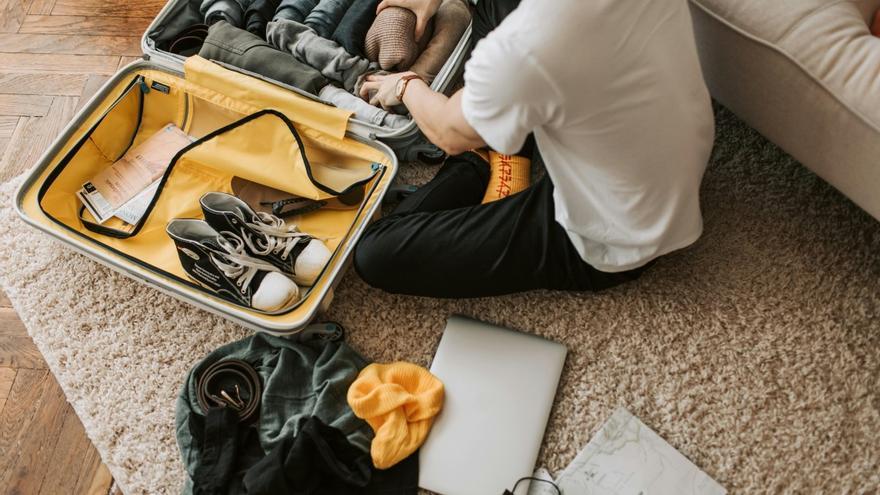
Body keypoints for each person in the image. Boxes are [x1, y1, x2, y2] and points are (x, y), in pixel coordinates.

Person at [353, 0, 715, 298]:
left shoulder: (523, 49)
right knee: (496, 6)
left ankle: (483, 159)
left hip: (615, 233)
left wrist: (405, 86)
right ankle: (498, 140)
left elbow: (447, 132)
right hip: (665, 155)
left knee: (376, 251)